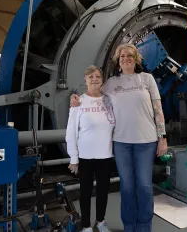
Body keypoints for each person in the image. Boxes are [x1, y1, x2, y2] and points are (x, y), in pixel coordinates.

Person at [70, 44, 168, 232]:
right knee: (128, 187)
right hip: (121, 142)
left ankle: (144, 226)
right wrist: (76, 98)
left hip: (146, 142)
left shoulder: (146, 79)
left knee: (145, 186)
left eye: (130, 55)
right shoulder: (111, 83)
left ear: (136, 59)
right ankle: (130, 226)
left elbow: (158, 110)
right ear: (118, 60)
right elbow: (93, 93)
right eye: (122, 56)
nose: (126, 58)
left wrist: (162, 137)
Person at [65, 65, 115, 232]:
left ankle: (100, 222)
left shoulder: (109, 100)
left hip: (105, 156)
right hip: (85, 157)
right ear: (85, 80)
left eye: (98, 76)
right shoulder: (78, 101)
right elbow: (71, 131)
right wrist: (74, 158)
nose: (94, 79)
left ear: (102, 79)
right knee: (85, 193)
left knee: (102, 192)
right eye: (91, 76)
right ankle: (86, 226)